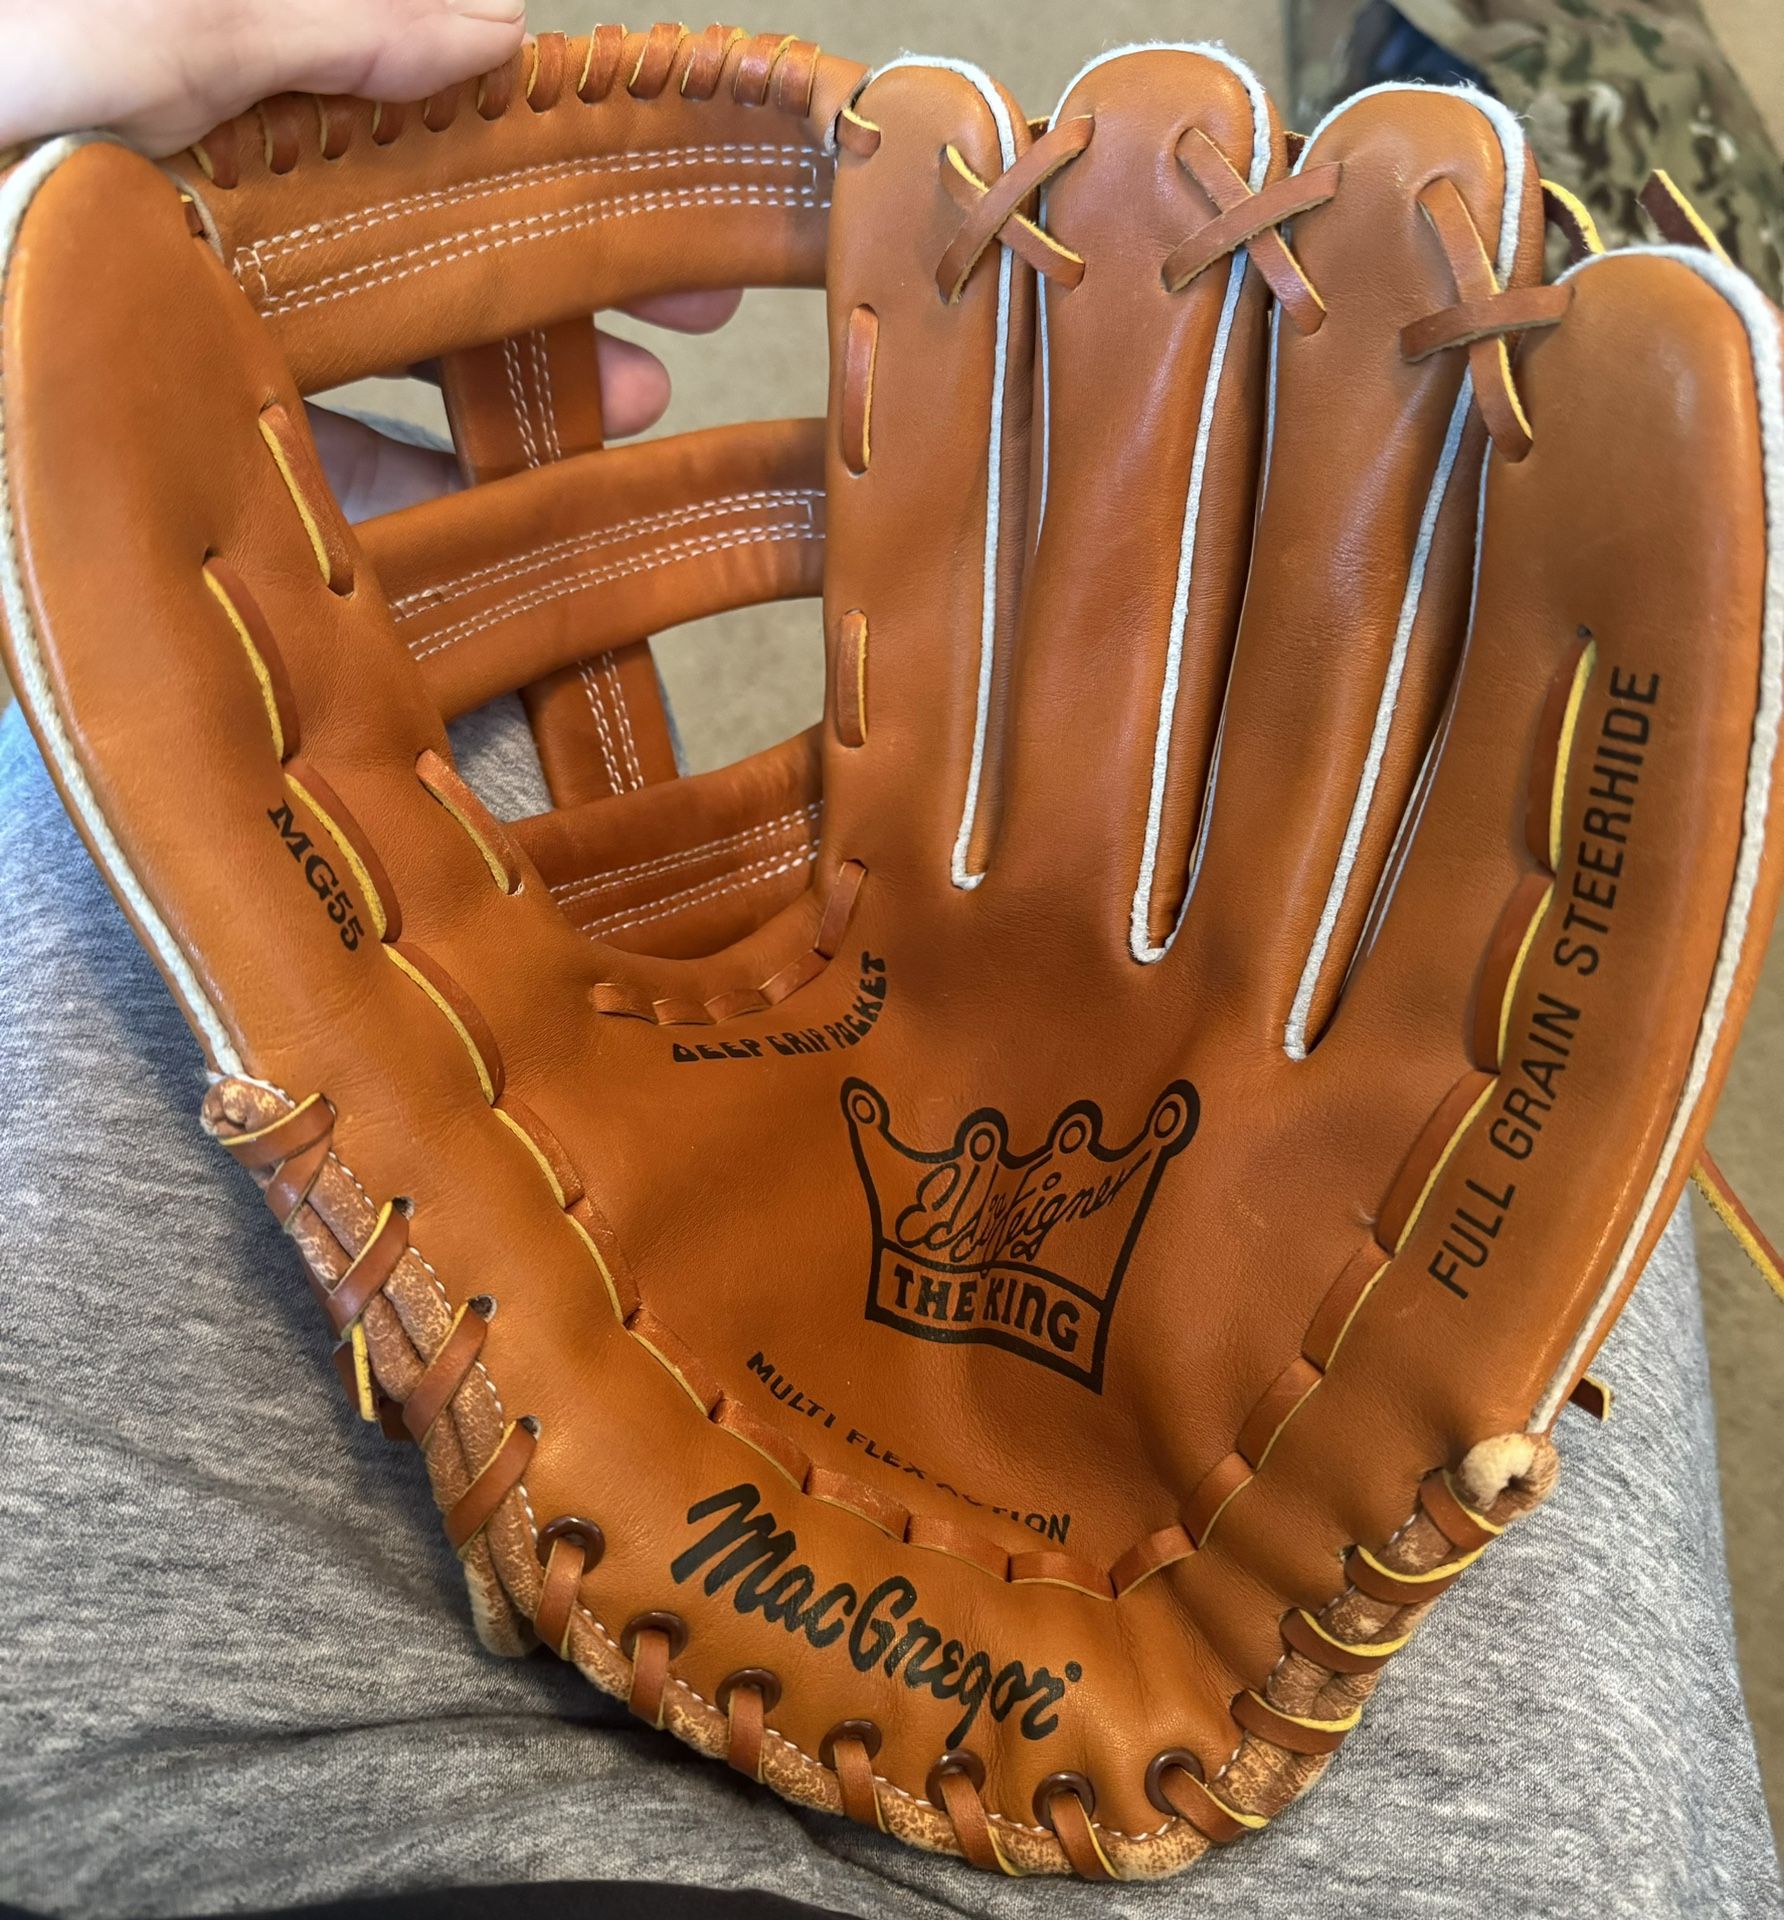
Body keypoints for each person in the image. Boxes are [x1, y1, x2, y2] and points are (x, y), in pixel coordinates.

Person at [0, 4, 1778, 1916]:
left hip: (226, 1746)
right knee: (1432, 678)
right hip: (1321, 1769)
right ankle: (1514, 179)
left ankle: (1470, 234)